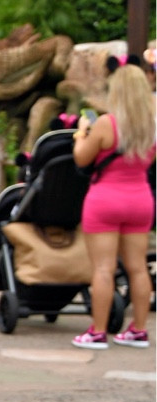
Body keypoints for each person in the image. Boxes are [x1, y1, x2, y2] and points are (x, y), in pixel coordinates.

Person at [71, 62, 156, 348]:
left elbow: (82, 158)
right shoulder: (152, 125)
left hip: (105, 200)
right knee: (138, 268)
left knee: (103, 269)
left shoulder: (106, 123)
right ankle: (139, 330)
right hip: (140, 199)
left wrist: (81, 132)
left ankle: (97, 331)